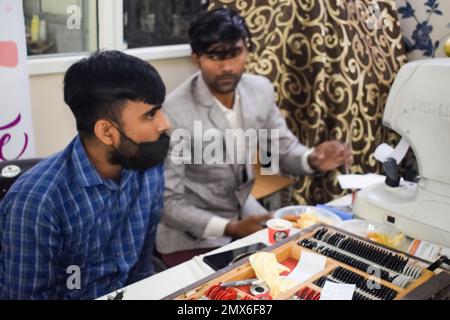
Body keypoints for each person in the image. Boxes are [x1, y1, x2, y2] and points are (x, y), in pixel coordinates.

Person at [156, 8, 353, 267]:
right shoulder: (176, 112)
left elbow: (280, 148)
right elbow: (169, 203)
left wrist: (312, 159)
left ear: (246, 49)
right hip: (191, 232)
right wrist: (231, 228)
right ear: (196, 57)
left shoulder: (259, 90)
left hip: (243, 211)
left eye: (234, 54)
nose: (227, 67)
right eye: (215, 56)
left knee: (309, 260)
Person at [0, 50, 171, 299]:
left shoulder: (147, 167)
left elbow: (141, 270)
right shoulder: (38, 203)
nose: (164, 123)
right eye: (151, 114)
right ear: (106, 132)